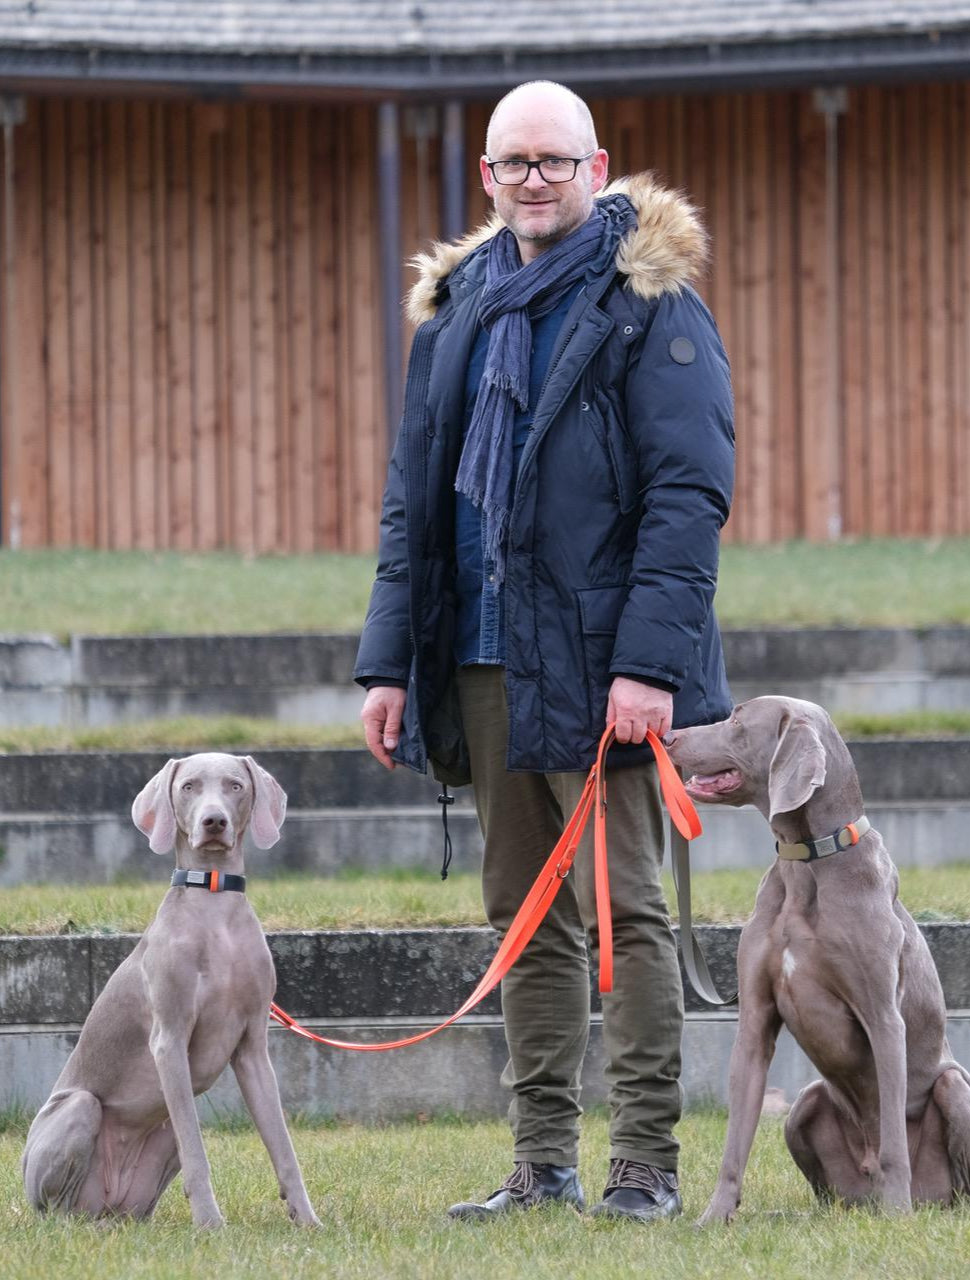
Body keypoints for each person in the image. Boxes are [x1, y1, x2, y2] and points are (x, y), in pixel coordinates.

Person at [354, 80, 734, 1222]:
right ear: (485, 176)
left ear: (596, 164)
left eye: (554, 161)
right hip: (477, 655)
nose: (532, 178)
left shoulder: (647, 300)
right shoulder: (461, 303)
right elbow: (410, 499)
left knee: (626, 909)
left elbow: (687, 493)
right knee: (524, 909)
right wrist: (387, 663)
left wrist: (648, 667)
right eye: (511, 161)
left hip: (604, 661)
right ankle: (541, 1161)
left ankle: (644, 1166)